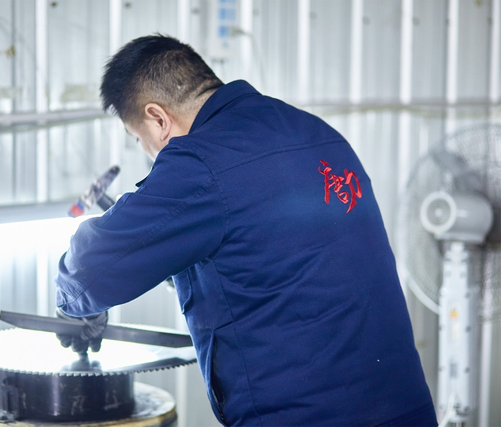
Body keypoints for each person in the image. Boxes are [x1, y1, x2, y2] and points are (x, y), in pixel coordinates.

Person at [55, 34, 437, 427]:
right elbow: (271, 256)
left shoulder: (199, 161)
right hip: (406, 409)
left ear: (158, 118)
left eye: (141, 141)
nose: (151, 153)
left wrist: (69, 303)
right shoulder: (314, 133)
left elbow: (88, 273)